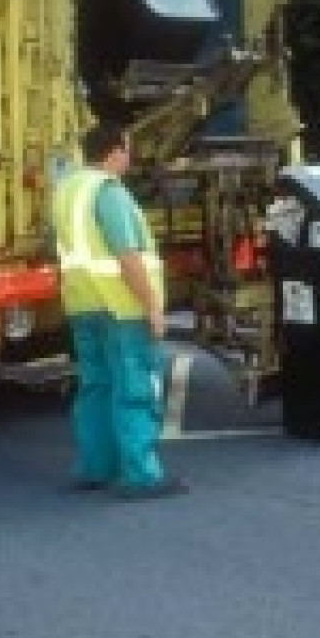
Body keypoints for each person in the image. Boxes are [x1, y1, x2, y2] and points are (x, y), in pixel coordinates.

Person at [51, 122, 186, 499]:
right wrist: (153, 309)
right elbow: (127, 257)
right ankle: (141, 475)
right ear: (113, 152)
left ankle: (95, 467)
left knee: (95, 386)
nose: (131, 156)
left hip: (82, 304)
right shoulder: (109, 193)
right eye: (128, 149)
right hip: (120, 307)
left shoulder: (67, 190)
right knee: (135, 388)